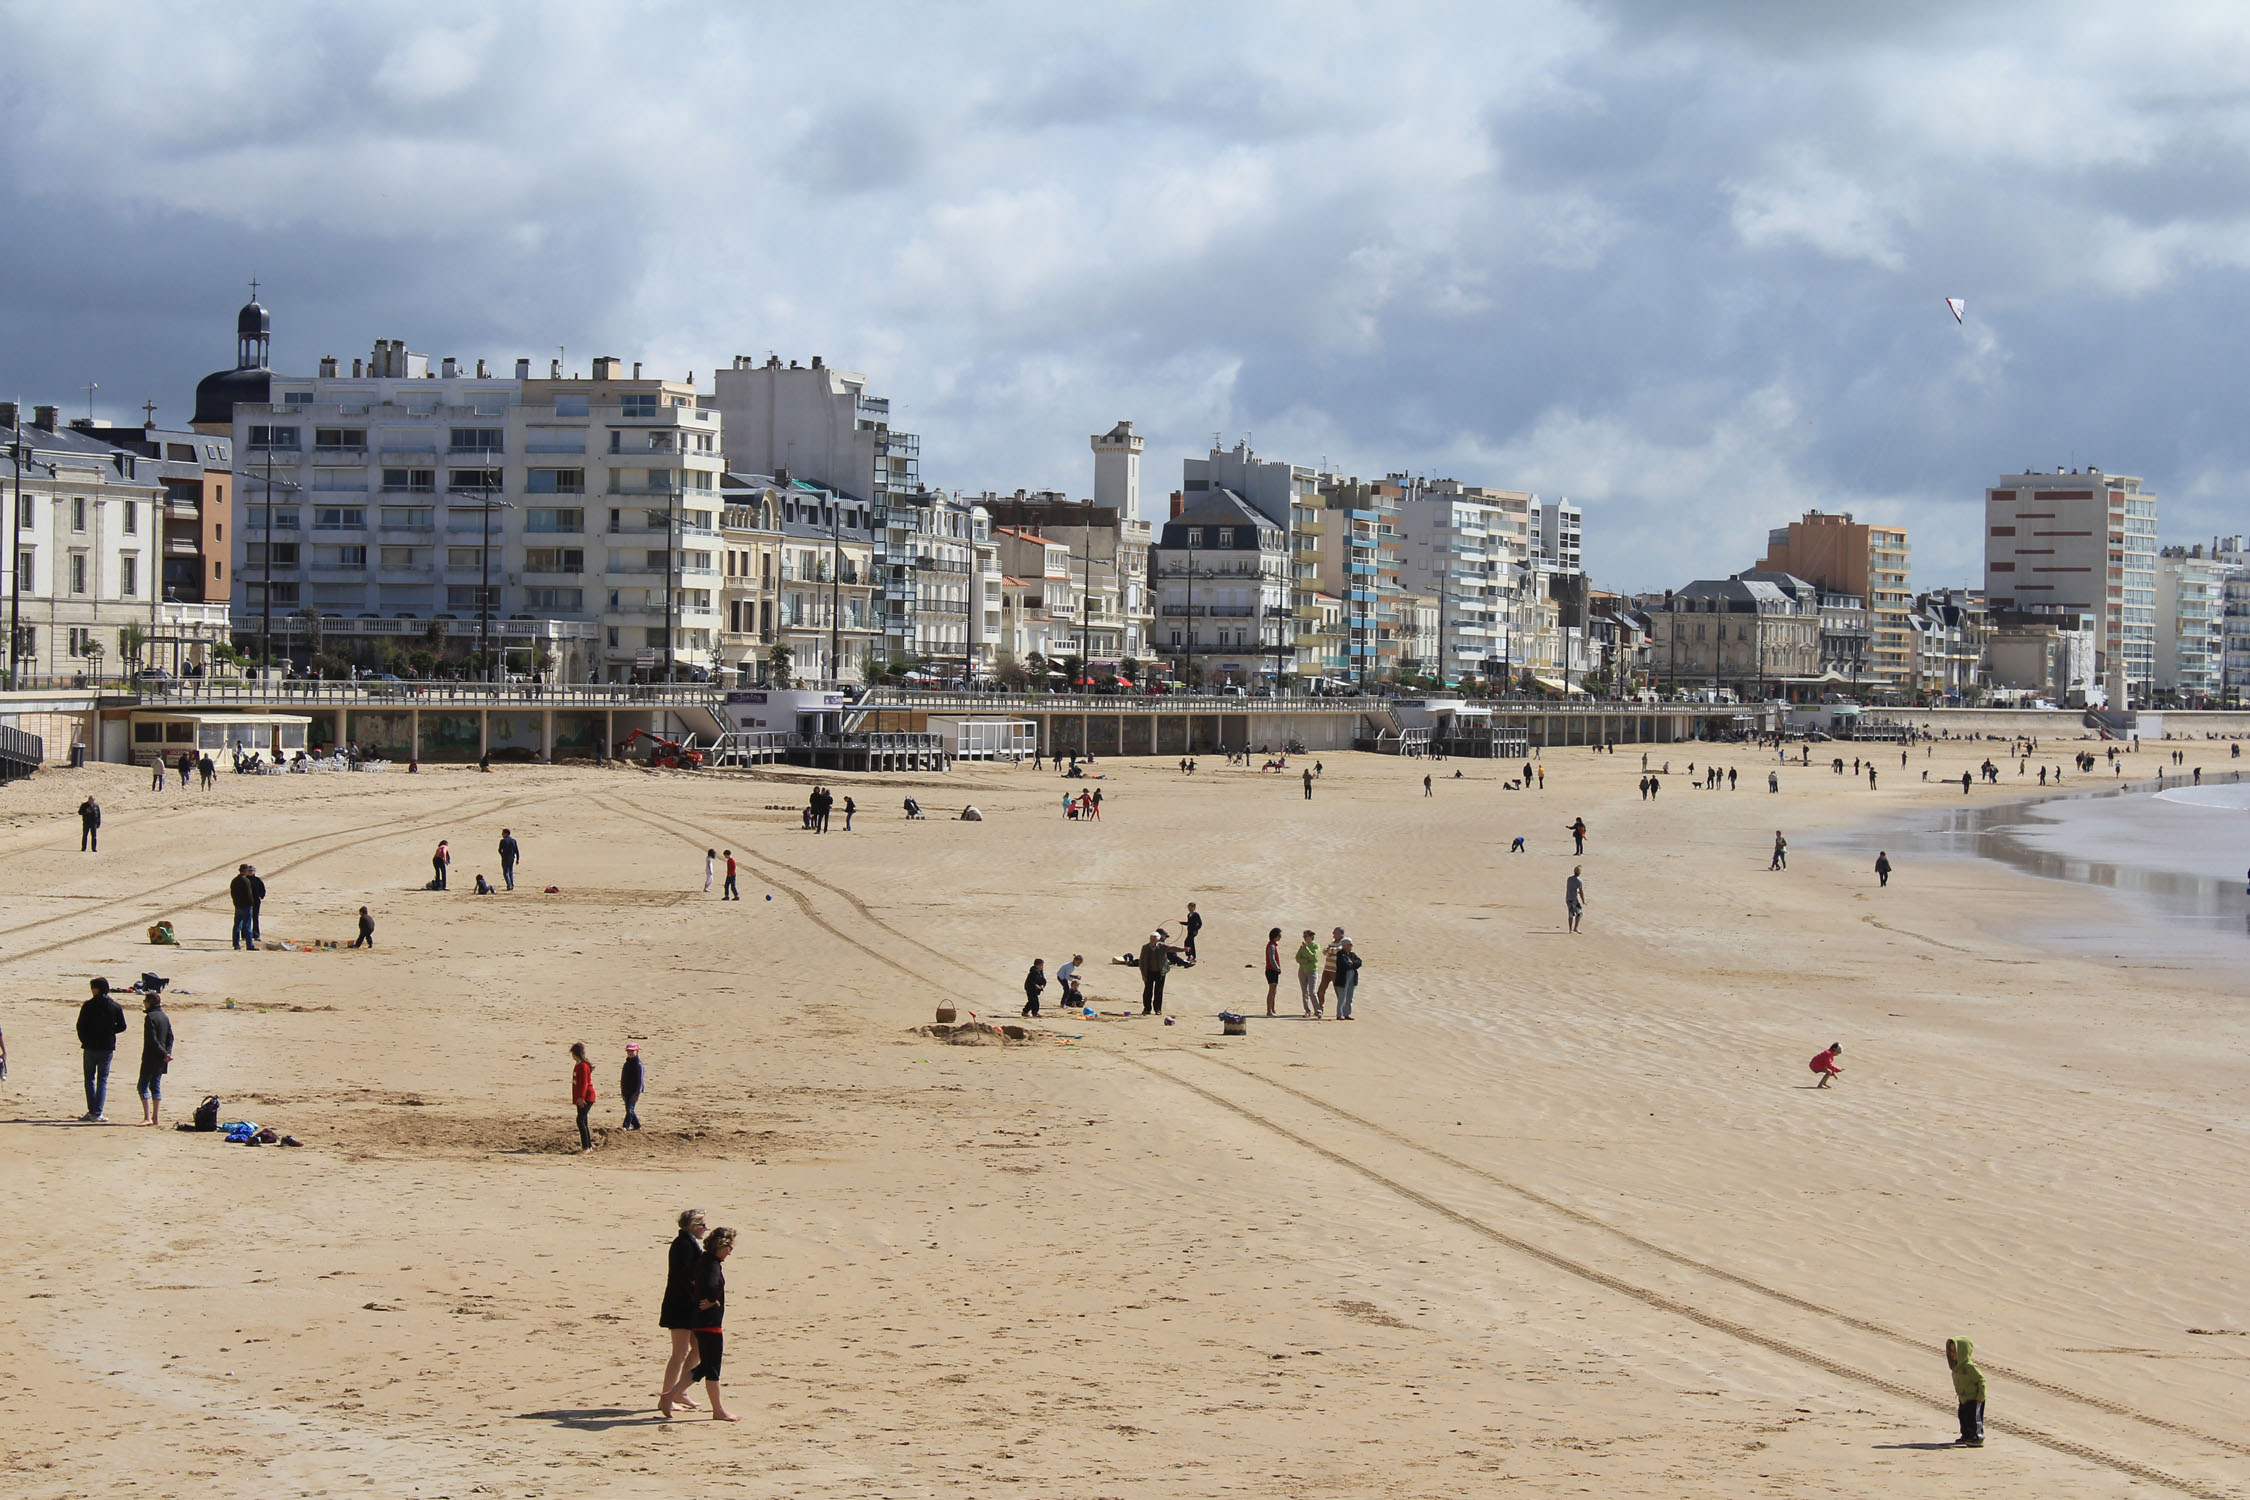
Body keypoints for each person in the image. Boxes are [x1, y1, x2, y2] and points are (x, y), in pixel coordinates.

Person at [663, 1226, 739, 1421]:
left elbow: (688, 1276)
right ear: (721, 1246)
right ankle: (717, 1410)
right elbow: (712, 1285)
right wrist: (713, 1300)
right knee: (712, 1368)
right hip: (710, 1323)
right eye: (729, 1247)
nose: (730, 1251)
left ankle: (672, 1394)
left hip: (701, 1321)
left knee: (706, 1365)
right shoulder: (712, 1264)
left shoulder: (703, 1260)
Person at [658, 1209, 708, 1414]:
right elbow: (685, 1276)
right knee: (679, 1353)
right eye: (702, 1225)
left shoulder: (689, 1242)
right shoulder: (683, 1244)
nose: (705, 1228)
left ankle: (679, 1391)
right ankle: (667, 1396)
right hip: (681, 1305)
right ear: (692, 1226)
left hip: (690, 1304)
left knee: (697, 1350)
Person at [76, 977, 127, 1121]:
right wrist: (110, 1032)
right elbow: (122, 1026)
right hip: (107, 1046)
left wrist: (85, 1040)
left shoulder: (88, 1005)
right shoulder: (114, 1006)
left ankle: (93, 1111)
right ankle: (97, 1112)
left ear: (97, 989)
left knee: (89, 1079)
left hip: (90, 1046)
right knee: (102, 1080)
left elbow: (80, 1026)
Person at [137, 988, 175, 1127]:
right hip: (162, 1058)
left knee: (142, 1086)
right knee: (155, 1086)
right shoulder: (164, 1016)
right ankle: (155, 1117)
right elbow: (170, 1037)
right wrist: (167, 1054)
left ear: (150, 1002)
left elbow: (152, 1040)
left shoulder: (150, 1017)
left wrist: (164, 1054)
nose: (144, 1004)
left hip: (151, 1057)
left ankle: (148, 1117)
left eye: (145, 1001)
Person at [1946, 1337, 1986, 1447]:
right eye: (1951, 1351)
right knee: (1963, 1417)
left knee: (1974, 1418)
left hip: (1975, 1398)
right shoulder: (1956, 1367)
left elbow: (1981, 1380)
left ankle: (1977, 1437)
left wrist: (1981, 1396)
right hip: (1963, 1398)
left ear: (1962, 1352)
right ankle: (1966, 1436)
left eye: (1955, 1351)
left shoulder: (1970, 1367)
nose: (1952, 1354)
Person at [229, 864, 265, 951]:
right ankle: (249, 945)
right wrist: (251, 903)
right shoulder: (245, 881)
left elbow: (232, 893)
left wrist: (235, 903)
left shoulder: (234, 880)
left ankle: (236, 944)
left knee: (237, 925)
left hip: (238, 905)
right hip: (246, 906)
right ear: (245, 871)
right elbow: (248, 894)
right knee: (247, 925)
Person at [570, 1041, 596, 1151]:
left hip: (586, 1097)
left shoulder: (583, 1066)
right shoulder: (578, 1065)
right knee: (583, 1120)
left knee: (580, 1120)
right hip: (581, 1097)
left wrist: (581, 1097)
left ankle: (586, 1146)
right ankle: (588, 1146)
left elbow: (584, 1083)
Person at [1138, 933, 1172, 1015]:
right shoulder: (1145, 947)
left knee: (1159, 991)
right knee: (1147, 991)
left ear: (1158, 940)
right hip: (1149, 972)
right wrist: (1143, 974)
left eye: (1154, 939)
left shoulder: (1162, 946)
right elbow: (1141, 962)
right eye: (1151, 939)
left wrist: (1184, 949)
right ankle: (1147, 1008)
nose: (1152, 941)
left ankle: (1158, 1009)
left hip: (1160, 972)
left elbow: (1172, 948)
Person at [1314, 926, 1345, 1014]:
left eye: (1334, 933)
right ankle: (1320, 1008)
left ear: (1339, 934)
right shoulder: (1332, 943)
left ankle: (1342, 1010)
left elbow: (1337, 950)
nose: (1333, 934)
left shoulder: (1343, 943)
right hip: (1327, 970)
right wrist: (1330, 951)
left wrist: (1329, 951)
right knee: (1321, 990)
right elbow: (1324, 952)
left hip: (1336, 971)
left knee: (1338, 992)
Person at [1333, 938, 1362, 1020]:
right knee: (1342, 996)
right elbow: (1344, 965)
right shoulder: (1340, 954)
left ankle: (1347, 1013)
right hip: (1343, 978)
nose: (1351, 946)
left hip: (1352, 976)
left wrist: (1352, 964)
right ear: (1345, 945)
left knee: (1350, 996)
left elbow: (1359, 962)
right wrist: (1353, 964)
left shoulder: (1352, 954)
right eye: (1350, 944)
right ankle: (1340, 1014)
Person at [1294, 929, 1320, 1017]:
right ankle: (1307, 1010)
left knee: (1312, 992)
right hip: (1302, 971)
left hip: (1312, 971)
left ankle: (1318, 1010)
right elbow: (1297, 958)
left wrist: (1306, 949)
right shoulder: (1302, 947)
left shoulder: (1316, 946)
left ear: (1311, 937)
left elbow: (1313, 957)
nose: (1304, 938)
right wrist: (1305, 960)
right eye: (1304, 936)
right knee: (1304, 992)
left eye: (1306, 936)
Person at [620, 1043, 644, 1130]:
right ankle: (637, 1126)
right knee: (629, 1109)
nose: (630, 1053)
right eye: (628, 1051)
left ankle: (625, 1126)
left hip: (634, 1091)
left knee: (630, 1109)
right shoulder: (626, 1065)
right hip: (626, 1090)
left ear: (637, 1052)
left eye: (632, 1051)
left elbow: (640, 1081)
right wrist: (622, 1091)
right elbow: (623, 1078)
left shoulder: (638, 1065)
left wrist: (637, 1093)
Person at [1263, 928, 1283, 1017]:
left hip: (1272, 970)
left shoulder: (1273, 945)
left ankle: (1272, 1009)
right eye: (1279, 935)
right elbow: (1272, 959)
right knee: (1272, 991)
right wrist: (1278, 968)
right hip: (1271, 970)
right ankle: (1269, 1011)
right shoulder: (1271, 946)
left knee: (1274, 991)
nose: (1280, 937)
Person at [1565, 866, 1585, 934]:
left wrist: (1576, 891)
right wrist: (1583, 901)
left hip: (1568, 898)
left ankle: (1570, 929)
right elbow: (1581, 891)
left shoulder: (1569, 879)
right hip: (1574, 899)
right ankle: (1575, 928)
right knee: (1579, 913)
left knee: (1571, 913)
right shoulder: (1579, 880)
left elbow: (1570, 888)